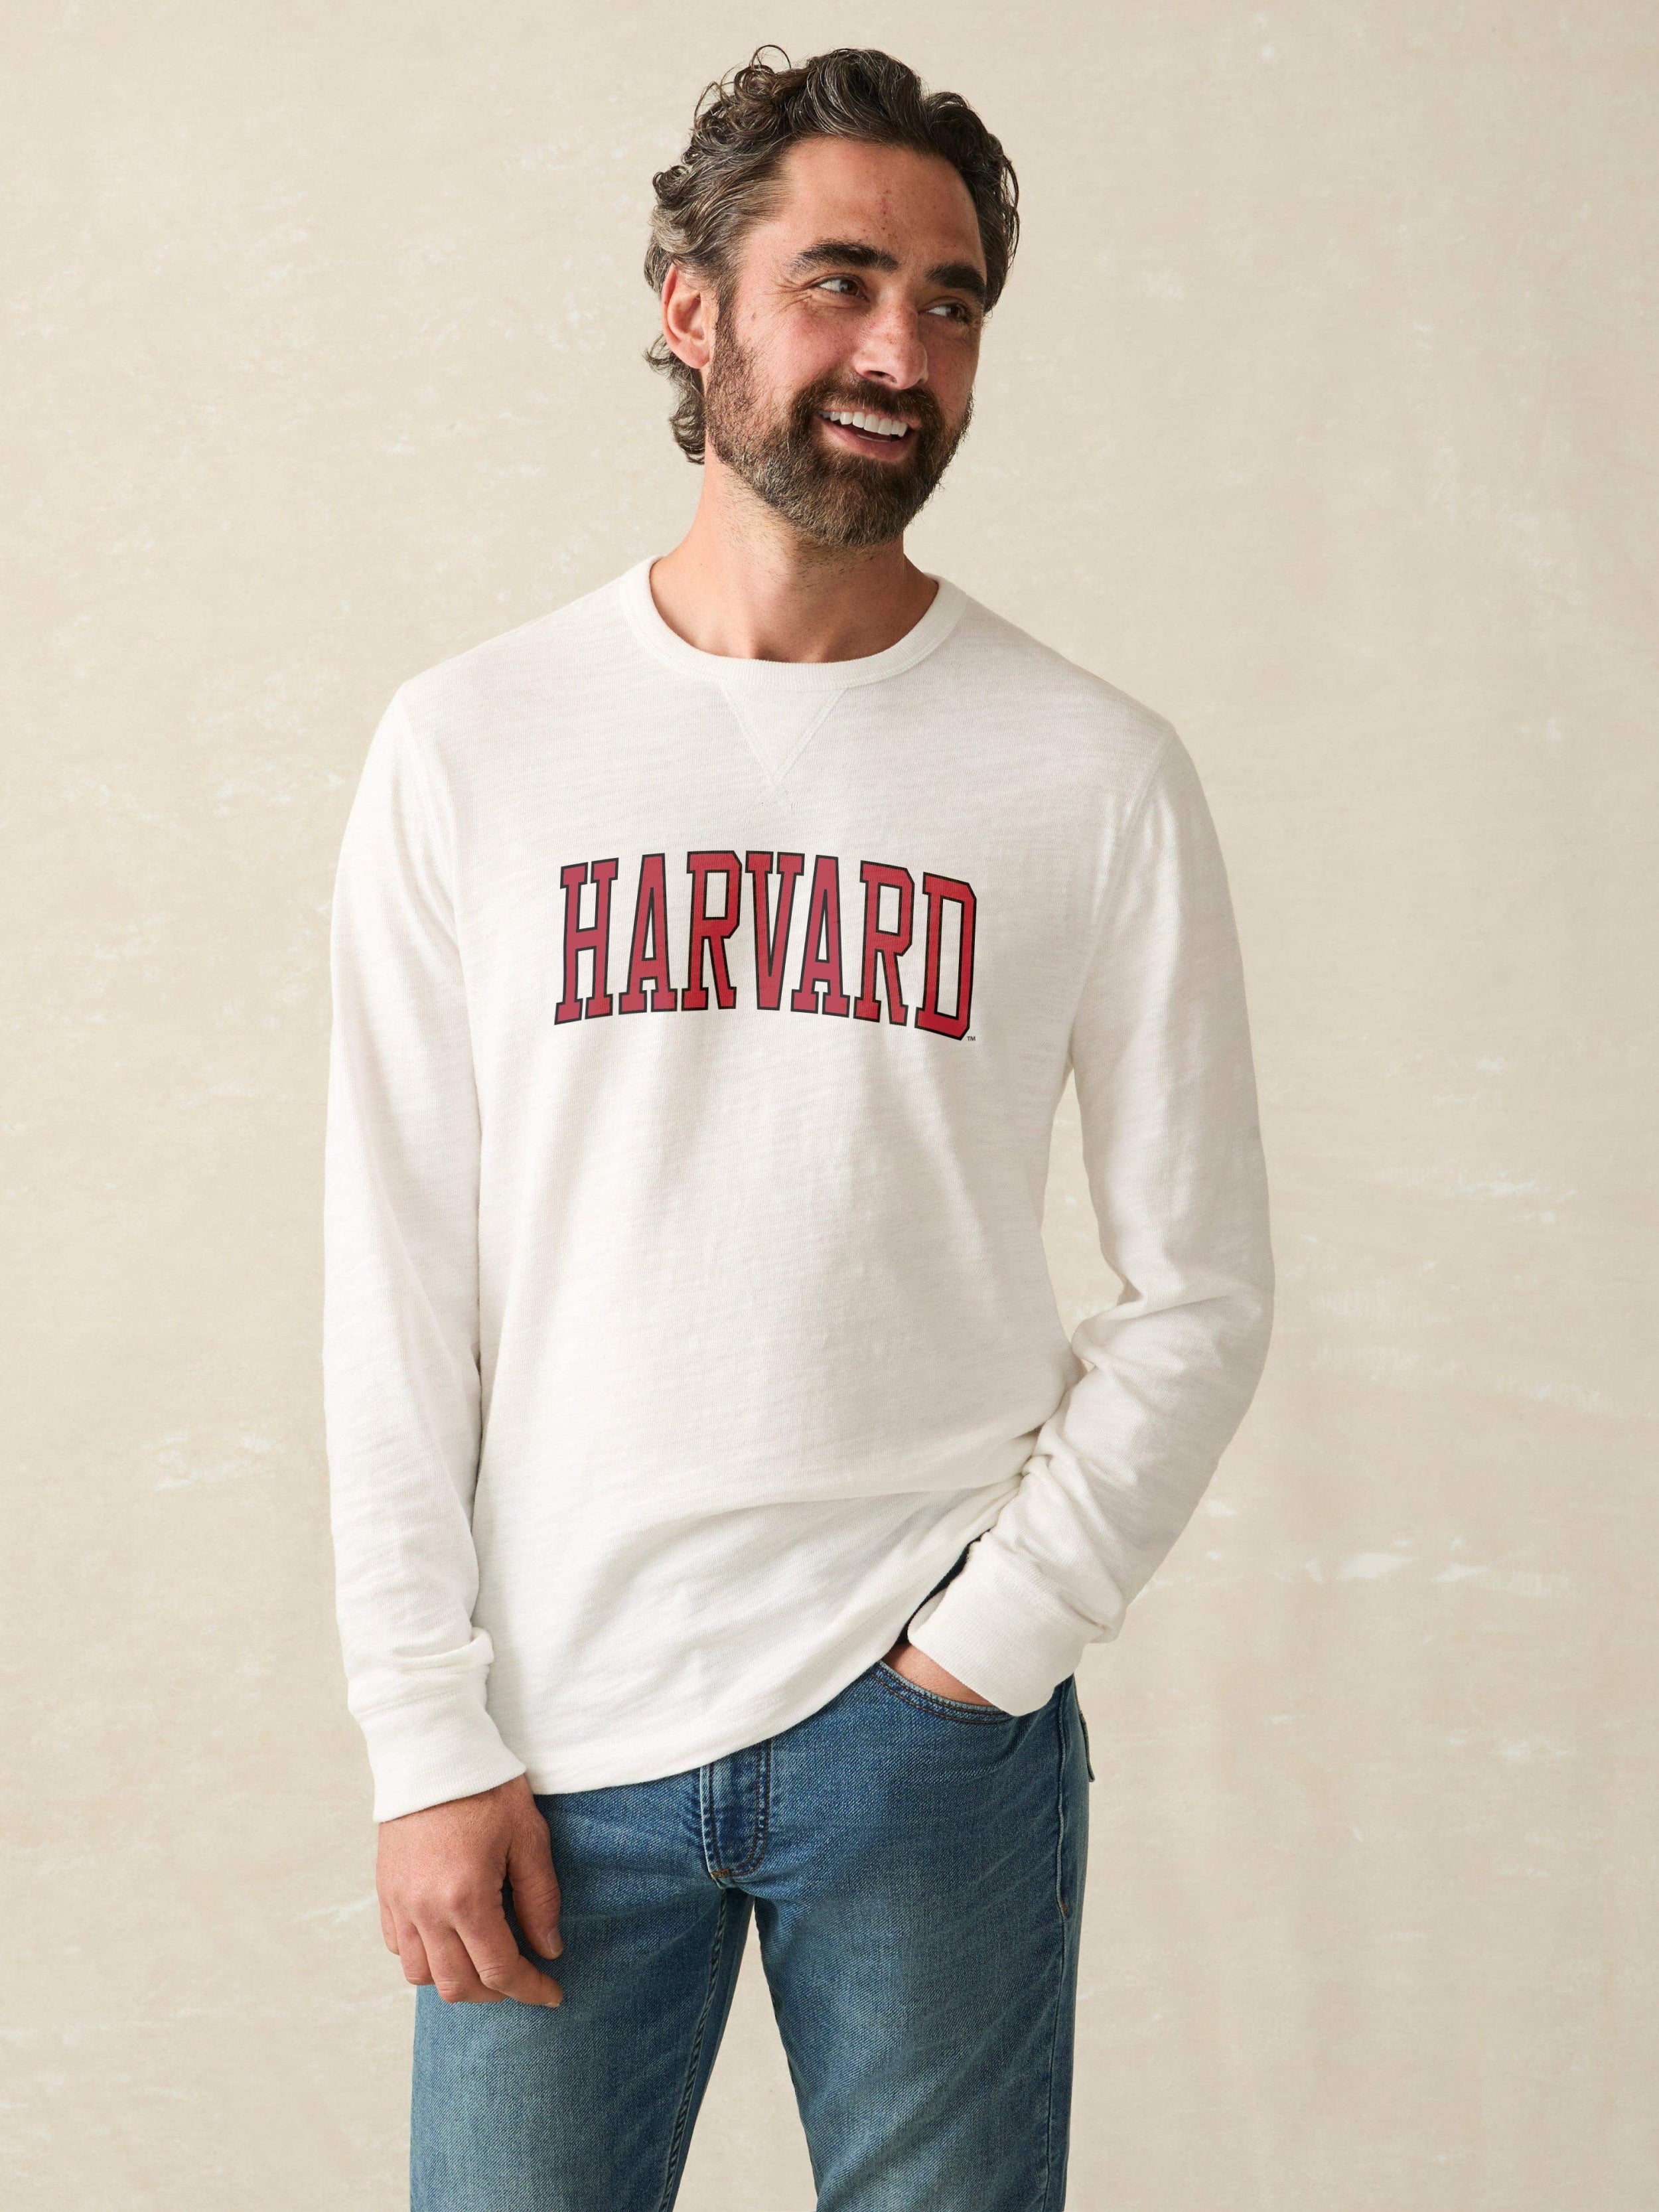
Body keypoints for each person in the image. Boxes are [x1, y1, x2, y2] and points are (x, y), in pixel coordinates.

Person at [323, 42, 1275, 2212]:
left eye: (948, 302)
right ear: (692, 308)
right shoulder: (473, 745)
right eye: (838, 282)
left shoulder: (1088, 769)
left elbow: (1202, 1288)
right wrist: (424, 1733)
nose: (897, 353)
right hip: (553, 1739)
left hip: (923, 1732)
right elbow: (395, 1282)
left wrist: (981, 1657)